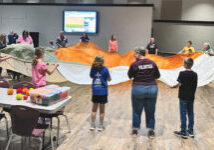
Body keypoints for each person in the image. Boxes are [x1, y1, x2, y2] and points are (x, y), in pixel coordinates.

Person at [128, 47, 160, 138]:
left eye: (135, 54)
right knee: (150, 111)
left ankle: (135, 131)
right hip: (152, 89)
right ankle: (151, 132)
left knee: (136, 110)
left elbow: (130, 76)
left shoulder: (134, 64)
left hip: (138, 89)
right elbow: (157, 76)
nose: (134, 55)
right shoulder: (152, 63)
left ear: (138, 54)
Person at [171, 58, 197, 139]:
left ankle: (183, 131)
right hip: (191, 97)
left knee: (183, 113)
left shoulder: (182, 73)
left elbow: (179, 84)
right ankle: (191, 130)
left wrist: (174, 86)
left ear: (185, 64)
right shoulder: (195, 74)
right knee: (191, 113)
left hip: (183, 97)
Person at [89, 54, 111, 131]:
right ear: (102, 61)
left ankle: (92, 125)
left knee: (94, 110)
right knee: (102, 111)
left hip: (95, 91)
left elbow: (91, 76)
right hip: (103, 92)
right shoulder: (105, 69)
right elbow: (109, 79)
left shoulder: (93, 68)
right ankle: (101, 126)